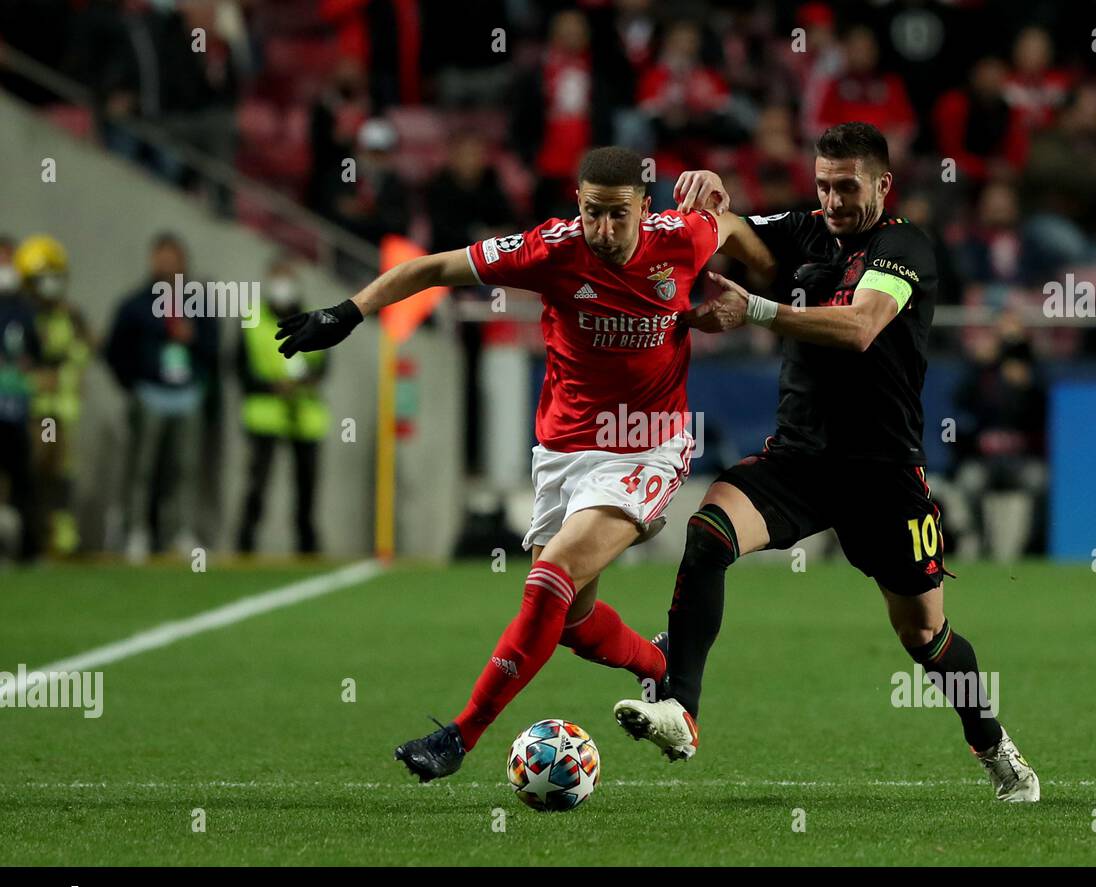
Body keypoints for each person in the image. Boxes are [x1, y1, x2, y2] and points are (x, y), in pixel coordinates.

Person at [276, 145, 775, 782]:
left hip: (648, 442)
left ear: (646, 210)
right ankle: (661, 665)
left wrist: (758, 289)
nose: (604, 230)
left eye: (619, 215)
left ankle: (460, 735)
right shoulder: (551, 249)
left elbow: (733, 229)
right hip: (564, 452)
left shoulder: (682, 236)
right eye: (593, 213)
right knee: (571, 620)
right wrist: (348, 312)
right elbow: (432, 268)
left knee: (550, 578)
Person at [613, 123, 1040, 803]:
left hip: (883, 473)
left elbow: (862, 326)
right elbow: (731, 233)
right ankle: (682, 711)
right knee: (708, 533)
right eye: (824, 184)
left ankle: (992, 745)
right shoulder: (805, 229)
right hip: (800, 461)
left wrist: (753, 309)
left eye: (848, 186)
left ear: (882, 184)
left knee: (925, 635)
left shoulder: (905, 247)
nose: (834, 199)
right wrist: (711, 207)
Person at [104, 234, 219, 563]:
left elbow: (214, 350)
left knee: (184, 468)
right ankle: (136, 532)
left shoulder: (198, 301)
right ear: (153, 260)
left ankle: (179, 532)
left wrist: (193, 341)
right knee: (141, 468)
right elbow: (116, 350)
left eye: (174, 258)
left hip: (186, 396)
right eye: (162, 257)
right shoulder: (136, 303)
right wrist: (135, 384)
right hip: (150, 395)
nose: (168, 265)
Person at [236, 258, 328, 555]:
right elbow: (237, 367)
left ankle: (307, 546)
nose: (283, 286)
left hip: (306, 415)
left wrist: (304, 384)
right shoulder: (252, 318)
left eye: (288, 278)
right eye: (278, 278)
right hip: (264, 414)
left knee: (307, 487)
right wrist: (271, 387)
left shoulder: (314, 319)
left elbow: (323, 365)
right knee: (257, 485)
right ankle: (246, 542)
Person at [15, 234, 91, 556]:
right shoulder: (18, 318)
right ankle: (27, 537)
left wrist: (59, 376)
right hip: (27, 410)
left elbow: (79, 356)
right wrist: (34, 380)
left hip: (58, 411)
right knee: (27, 473)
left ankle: (58, 538)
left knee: (58, 474)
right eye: (42, 279)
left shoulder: (69, 317)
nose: (50, 286)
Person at [0, 237, 40, 562]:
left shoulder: (23, 311)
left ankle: (27, 550)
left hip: (16, 409)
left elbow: (36, 355)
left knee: (22, 479)